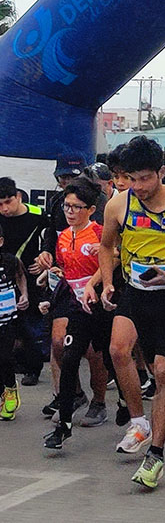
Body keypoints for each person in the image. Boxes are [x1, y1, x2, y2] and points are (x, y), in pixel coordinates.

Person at [96, 136, 165, 489]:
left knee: (163, 371)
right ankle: (139, 422)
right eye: (131, 178)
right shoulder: (118, 203)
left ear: (161, 172)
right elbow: (106, 246)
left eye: (145, 178)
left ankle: (156, 454)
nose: (138, 186)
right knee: (118, 350)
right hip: (134, 291)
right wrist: (107, 283)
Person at [42, 179, 110, 446]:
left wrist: (94, 282)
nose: (70, 212)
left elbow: (114, 258)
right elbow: (65, 269)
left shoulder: (99, 233)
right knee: (66, 352)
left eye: (76, 207)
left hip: (100, 302)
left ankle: (102, 402)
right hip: (74, 302)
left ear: (91, 209)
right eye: (67, 206)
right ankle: (65, 421)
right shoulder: (62, 237)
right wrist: (50, 273)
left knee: (98, 355)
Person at [0, 176, 49, 386]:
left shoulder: (37, 215)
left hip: (29, 274)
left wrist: (44, 260)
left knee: (29, 324)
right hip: (4, 275)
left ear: (18, 196)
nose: (4, 209)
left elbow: (50, 239)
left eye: (8, 202)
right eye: (0, 204)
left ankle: (33, 368)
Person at [0, 222, 30, 420]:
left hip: (8, 321)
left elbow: (20, 275)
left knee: (4, 358)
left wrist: (24, 294)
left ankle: (11, 389)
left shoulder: (10, 261)